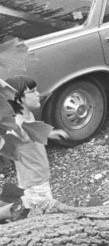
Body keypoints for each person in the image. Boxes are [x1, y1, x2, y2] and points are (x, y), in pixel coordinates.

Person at [0, 75, 69, 221]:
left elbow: (33, 132)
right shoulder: (17, 125)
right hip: (33, 183)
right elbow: (21, 135)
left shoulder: (28, 115)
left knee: (35, 211)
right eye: (32, 91)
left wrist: (50, 134)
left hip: (39, 177)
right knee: (41, 218)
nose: (38, 94)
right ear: (19, 99)